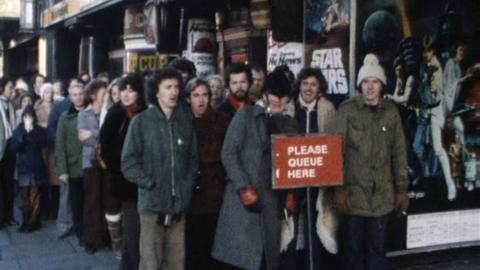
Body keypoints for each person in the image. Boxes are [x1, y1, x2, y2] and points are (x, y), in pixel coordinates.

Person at [212, 70, 298, 270]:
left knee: (267, 260)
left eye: (283, 96)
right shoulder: (246, 115)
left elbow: (295, 163)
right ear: (266, 95)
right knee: (242, 259)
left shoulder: (291, 125)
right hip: (244, 203)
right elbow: (228, 153)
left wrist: (292, 193)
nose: (278, 100)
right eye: (274, 94)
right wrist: (243, 186)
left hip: (273, 203)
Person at [330, 54, 409, 270]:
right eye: (365, 82)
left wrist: (402, 189)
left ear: (382, 85)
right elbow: (335, 151)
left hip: (382, 198)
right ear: (360, 85)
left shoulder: (391, 112)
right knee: (353, 253)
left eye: (375, 82)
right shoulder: (347, 110)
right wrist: (338, 189)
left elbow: (399, 152)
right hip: (354, 197)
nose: (370, 87)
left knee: (377, 252)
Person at [122, 68, 198, 270]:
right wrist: (150, 183)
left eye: (176, 87)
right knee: (150, 263)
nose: (174, 92)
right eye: (168, 87)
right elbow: (128, 163)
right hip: (151, 208)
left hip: (178, 208)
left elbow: (193, 160)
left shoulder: (184, 121)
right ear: (156, 92)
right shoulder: (141, 122)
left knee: (176, 263)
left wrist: (187, 185)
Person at [289, 67, 336, 270]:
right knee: (291, 231)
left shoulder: (327, 109)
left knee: (315, 231)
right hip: (293, 181)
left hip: (318, 183)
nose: (308, 88)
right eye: (305, 84)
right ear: (299, 85)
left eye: (313, 85)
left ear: (320, 88)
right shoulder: (290, 108)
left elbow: (334, 144)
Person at [100, 73, 147, 268]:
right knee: (132, 229)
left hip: (147, 180)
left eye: (131, 90)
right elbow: (105, 147)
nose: (126, 95)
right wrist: (122, 168)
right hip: (125, 182)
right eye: (123, 90)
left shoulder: (146, 113)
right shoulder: (115, 114)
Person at [184, 78, 229, 270]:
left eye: (204, 95)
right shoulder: (183, 122)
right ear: (188, 99)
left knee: (214, 248)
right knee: (193, 250)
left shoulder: (221, 121)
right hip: (190, 195)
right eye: (196, 95)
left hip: (214, 193)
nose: (201, 100)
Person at [413, 36, 456, 200]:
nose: (425, 54)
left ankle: (450, 184)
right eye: (424, 51)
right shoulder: (423, 66)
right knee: (417, 146)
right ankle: (425, 174)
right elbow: (420, 89)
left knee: (438, 149)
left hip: (435, 110)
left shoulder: (437, 68)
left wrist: (432, 87)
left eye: (428, 50)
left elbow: (436, 96)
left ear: (433, 51)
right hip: (424, 110)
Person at [78, 79, 109, 254]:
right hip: (89, 161)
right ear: (93, 95)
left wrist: (94, 134)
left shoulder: (108, 112)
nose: (105, 96)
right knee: (91, 200)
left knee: (106, 198)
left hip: (105, 161)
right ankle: (91, 239)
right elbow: (83, 137)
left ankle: (105, 237)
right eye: (103, 94)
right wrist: (97, 136)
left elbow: (102, 136)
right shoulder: (84, 114)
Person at [55, 83, 86, 245]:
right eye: (74, 94)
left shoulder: (92, 113)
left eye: (80, 94)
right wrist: (62, 170)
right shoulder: (65, 117)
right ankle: (79, 232)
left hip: (91, 167)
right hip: (73, 168)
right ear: (70, 96)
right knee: (76, 202)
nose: (78, 97)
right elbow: (60, 145)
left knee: (91, 202)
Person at [11, 105, 48, 232]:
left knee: (35, 196)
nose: (28, 119)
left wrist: (31, 132)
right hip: (24, 167)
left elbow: (43, 142)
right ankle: (25, 221)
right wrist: (24, 134)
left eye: (30, 116)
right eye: (26, 117)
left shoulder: (38, 130)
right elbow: (14, 147)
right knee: (25, 197)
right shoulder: (18, 130)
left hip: (36, 166)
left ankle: (33, 222)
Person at [0, 77, 18, 229]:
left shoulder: (11, 104)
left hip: (9, 150)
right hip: (0, 148)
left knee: (9, 185)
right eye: (10, 86)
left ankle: (9, 216)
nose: (13, 89)